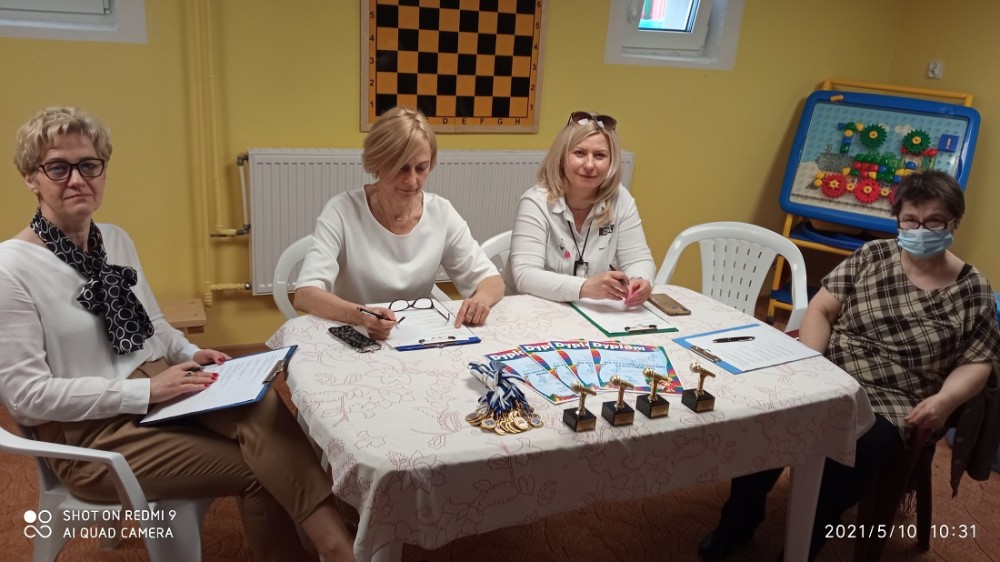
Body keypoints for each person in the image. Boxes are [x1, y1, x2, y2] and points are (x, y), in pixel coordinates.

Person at [0, 107, 356, 562]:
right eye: (58, 168)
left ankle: (334, 545)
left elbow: (155, 325)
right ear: (31, 178)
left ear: (103, 170)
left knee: (262, 400)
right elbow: (26, 398)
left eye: (89, 165)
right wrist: (146, 392)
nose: (77, 179)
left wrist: (190, 351)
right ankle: (337, 545)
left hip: (156, 389)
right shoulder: (11, 268)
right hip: (89, 436)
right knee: (259, 469)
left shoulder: (115, 239)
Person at [698, 170, 1000, 561]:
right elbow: (821, 310)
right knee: (768, 419)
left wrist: (945, 400)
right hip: (832, 368)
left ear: (954, 222)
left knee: (854, 457)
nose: (920, 231)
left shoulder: (972, 289)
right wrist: (811, 363)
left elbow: (978, 362)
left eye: (934, 222)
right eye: (910, 221)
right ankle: (737, 524)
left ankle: (800, 549)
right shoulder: (873, 256)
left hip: (897, 396)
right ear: (898, 220)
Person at [293, 106, 504, 340]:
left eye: (421, 168)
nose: (412, 181)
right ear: (378, 163)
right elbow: (306, 295)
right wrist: (363, 316)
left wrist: (481, 299)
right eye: (401, 168)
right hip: (357, 335)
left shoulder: (441, 213)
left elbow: (492, 280)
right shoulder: (342, 210)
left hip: (415, 337)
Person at [506, 111, 655, 304]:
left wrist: (640, 280)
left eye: (600, 155)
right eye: (579, 153)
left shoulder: (620, 198)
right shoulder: (535, 201)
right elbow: (525, 276)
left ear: (611, 162)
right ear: (561, 158)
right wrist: (584, 287)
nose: (590, 164)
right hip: (533, 309)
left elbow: (639, 259)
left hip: (588, 311)